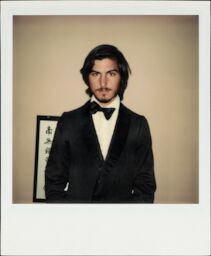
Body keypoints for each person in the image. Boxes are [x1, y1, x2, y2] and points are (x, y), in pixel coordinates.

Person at [45, 44, 156, 203]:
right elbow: (53, 183)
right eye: (96, 74)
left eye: (111, 74)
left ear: (121, 77)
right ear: (87, 78)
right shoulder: (68, 121)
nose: (103, 82)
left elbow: (146, 187)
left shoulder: (138, 124)